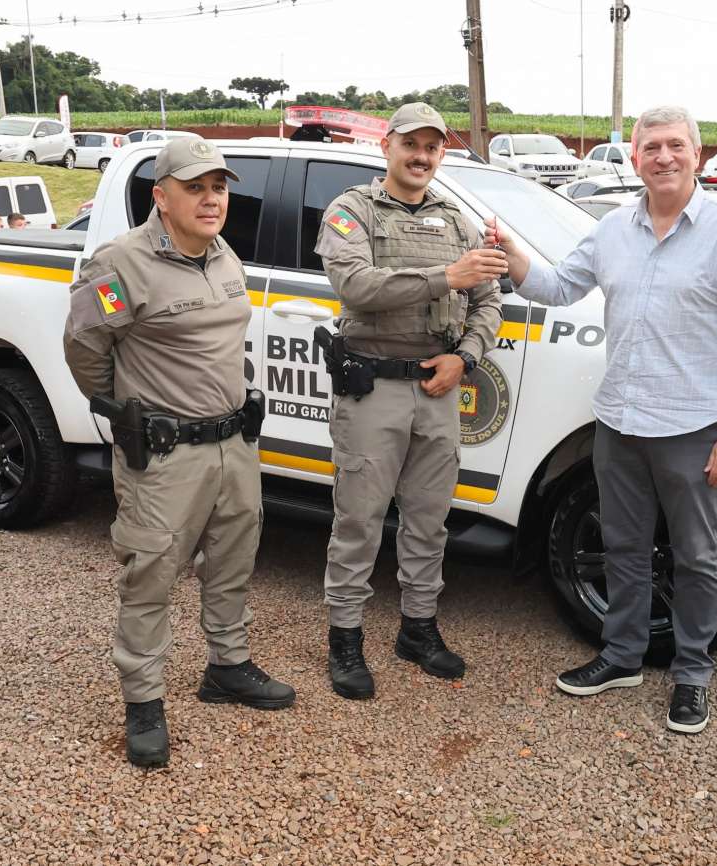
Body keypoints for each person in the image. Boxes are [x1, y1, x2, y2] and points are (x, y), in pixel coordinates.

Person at [492, 105, 717, 735]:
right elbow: (560, 286)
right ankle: (620, 657)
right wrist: (510, 250)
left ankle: (693, 673)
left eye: (676, 146)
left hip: (693, 428)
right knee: (624, 546)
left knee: (699, 556)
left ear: (697, 156)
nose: (664, 157)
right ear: (635, 157)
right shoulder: (612, 229)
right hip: (618, 423)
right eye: (652, 147)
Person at [63, 137, 294, 768]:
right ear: (161, 197)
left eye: (218, 187)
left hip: (232, 444)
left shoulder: (223, 256)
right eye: (195, 188)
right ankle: (143, 701)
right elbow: (85, 346)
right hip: (164, 458)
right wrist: (129, 412)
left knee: (233, 559)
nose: (212, 198)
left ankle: (228, 667)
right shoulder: (121, 264)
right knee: (151, 575)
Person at [315, 102, 504, 700]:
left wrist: (466, 357)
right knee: (359, 520)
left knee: (429, 520)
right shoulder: (352, 211)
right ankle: (345, 638)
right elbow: (357, 286)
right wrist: (448, 277)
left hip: (438, 387)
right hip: (374, 388)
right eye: (410, 145)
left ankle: (418, 629)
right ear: (387, 147)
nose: (421, 157)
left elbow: (490, 299)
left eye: (432, 147)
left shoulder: (457, 220)